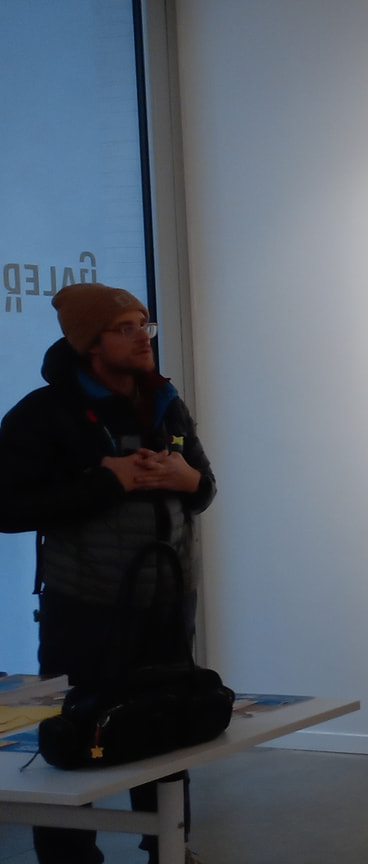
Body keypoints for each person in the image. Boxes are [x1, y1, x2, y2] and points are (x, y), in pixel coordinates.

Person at [0, 283, 217, 864]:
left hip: (168, 601)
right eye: (126, 327)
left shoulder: (165, 402)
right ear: (89, 343)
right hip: (85, 605)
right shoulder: (44, 414)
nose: (143, 336)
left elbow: (205, 488)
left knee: (169, 732)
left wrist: (187, 480)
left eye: (145, 323)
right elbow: (8, 508)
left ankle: (169, 848)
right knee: (76, 739)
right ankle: (69, 857)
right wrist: (107, 481)